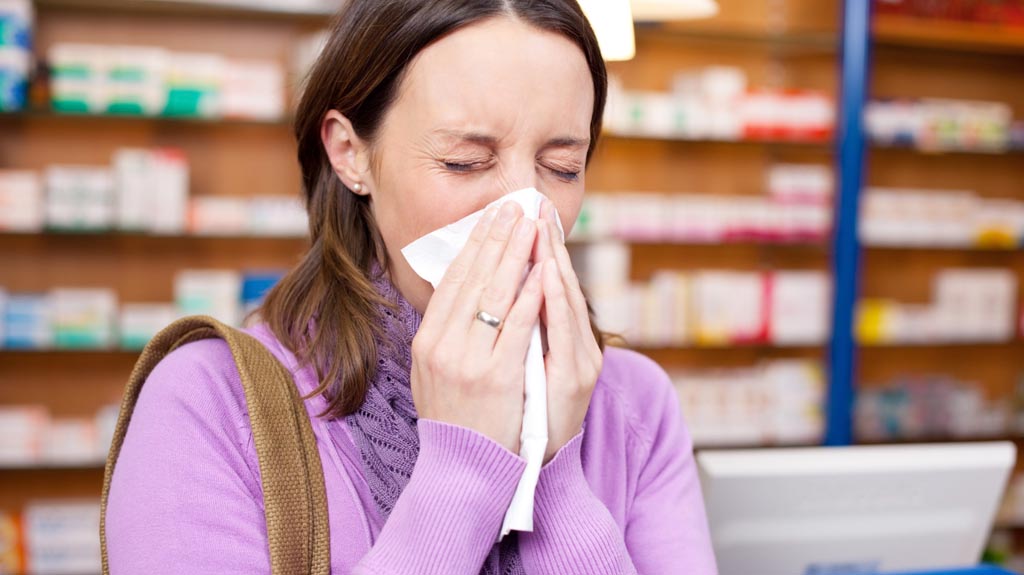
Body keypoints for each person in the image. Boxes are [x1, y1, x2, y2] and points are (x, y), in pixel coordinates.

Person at [104, 1, 718, 573]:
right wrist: (461, 472)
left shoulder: (635, 405)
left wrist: (553, 474)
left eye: (562, 167)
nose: (522, 208)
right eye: (464, 161)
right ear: (351, 153)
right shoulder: (209, 403)